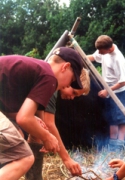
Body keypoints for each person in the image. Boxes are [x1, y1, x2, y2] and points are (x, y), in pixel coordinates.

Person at [0, 47, 83, 180]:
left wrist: (39, 128)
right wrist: (47, 138)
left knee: (17, 136)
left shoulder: (39, 70)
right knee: (24, 157)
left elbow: (27, 117)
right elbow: (24, 118)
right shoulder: (49, 77)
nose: (68, 84)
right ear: (65, 67)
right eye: (72, 80)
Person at [25, 68, 90, 180]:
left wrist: (44, 136)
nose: (72, 98)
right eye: (73, 92)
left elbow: (43, 122)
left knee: (38, 135)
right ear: (70, 82)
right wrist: (66, 159)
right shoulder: (51, 86)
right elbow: (49, 124)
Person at [87, 35, 125, 151]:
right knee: (112, 118)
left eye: (101, 52)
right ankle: (112, 145)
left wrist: (107, 91)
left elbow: (123, 81)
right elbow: (93, 57)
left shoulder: (118, 59)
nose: (100, 54)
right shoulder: (104, 50)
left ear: (109, 49)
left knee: (121, 118)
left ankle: (120, 145)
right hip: (110, 90)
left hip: (120, 91)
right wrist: (77, 57)